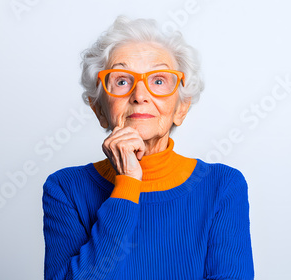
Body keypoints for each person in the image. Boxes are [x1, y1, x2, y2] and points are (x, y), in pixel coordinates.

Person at [42, 16, 255, 279]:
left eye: (158, 81)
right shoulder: (65, 189)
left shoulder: (223, 186)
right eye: (121, 81)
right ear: (99, 109)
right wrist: (128, 183)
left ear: (181, 108)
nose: (140, 95)